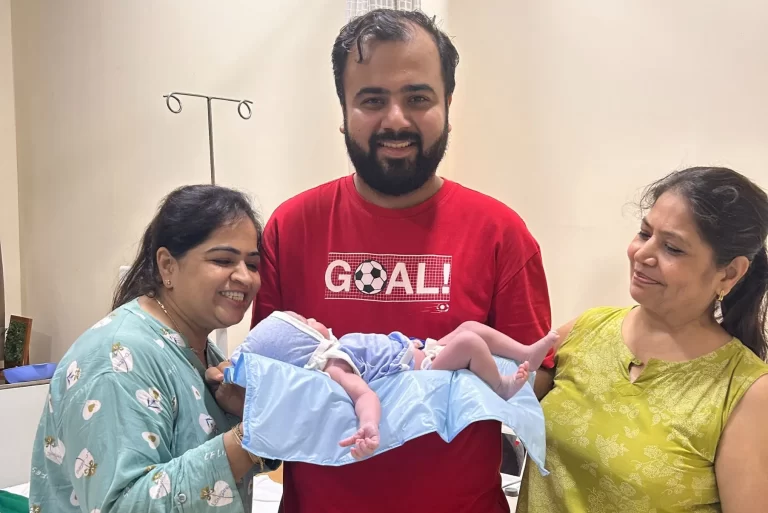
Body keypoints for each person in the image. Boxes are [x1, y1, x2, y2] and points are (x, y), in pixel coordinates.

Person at [248, 8, 554, 513]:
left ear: (448, 103)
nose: (395, 119)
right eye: (372, 99)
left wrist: (441, 379)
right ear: (344, 107)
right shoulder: (291, 227)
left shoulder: (501, 234)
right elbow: (272, 375)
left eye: (417, 98)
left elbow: (534, 381)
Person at [519, 167, 768, 513]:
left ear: (729, 272)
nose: (642, 254)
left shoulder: (745, 391)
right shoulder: (587, 330)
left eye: (672, 248)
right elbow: (505, 393)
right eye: (644, 233)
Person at [29, 185, 280, 513]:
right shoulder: (115, 358)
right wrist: (247, 439)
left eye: (253, 264)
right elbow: (122, 506)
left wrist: (248, 414)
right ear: (167, 266)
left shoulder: (203, 354)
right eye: (223, 260)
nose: (245, 277)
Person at [232, 311, 559, 459]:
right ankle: (501, 386)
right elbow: (365, 396)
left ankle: (524, 351)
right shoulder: (334, 366)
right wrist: (370, 424)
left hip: (422, 349)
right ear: (300, 343)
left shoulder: (337, 348)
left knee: (471, 326)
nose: (313, 318)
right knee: (471, 343)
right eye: (304, 322)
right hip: (425, 368)